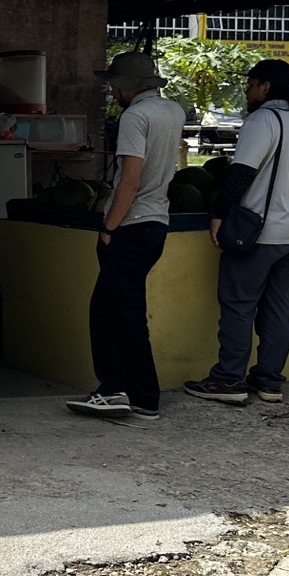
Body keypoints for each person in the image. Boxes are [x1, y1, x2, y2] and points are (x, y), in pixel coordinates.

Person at [187, 59, 289, 405]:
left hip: (259, 233)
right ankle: (269, 382)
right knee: (278, 308)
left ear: (265, 87)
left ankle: (229, 380)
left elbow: (240, 174)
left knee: (238, 304)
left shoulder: (263, 120)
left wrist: (218, 214)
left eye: (251, 85)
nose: (248, 92)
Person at [66, 51, 186, 423]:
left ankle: (138, 396)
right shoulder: (173, 111)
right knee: (111, 308)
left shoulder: (136, 116)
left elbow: (129, 179)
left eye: (114, 85)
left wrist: (109, 227)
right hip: (157, 222)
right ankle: (116, 388)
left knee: (119, 313)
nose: (112, 92)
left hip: (131, 223)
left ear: (124, 87)